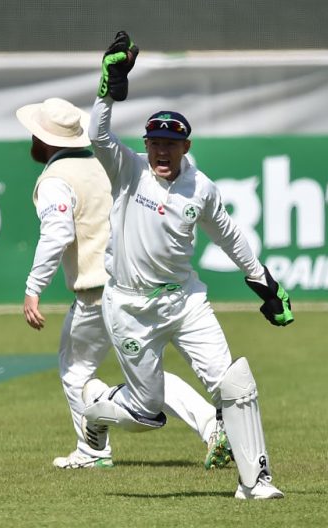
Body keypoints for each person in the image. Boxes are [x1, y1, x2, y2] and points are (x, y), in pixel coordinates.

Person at [81, 32, 294, 500]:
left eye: (169, 144)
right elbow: (96, 134)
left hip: (183, 301)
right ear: (146, 144)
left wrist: (265, 284)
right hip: (129, 306)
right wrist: (107, 90)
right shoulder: (128, 169)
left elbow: (231, 237)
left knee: (234, 382)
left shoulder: (202, 189)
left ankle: (255, 481)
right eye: (154, 142)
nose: (160, 151)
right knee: (146, 412)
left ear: (185, 146)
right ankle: (95, 410)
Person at [16, 97, 234, 470]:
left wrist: (34, 287)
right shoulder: (111, 163)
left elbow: (57, 234)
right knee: (146, 376)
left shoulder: (55, 179)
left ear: (46, 140)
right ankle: (212, 427)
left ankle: (92, 451)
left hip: (100, 292)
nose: (31, 140)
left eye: (34, 133)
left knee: (76, 372)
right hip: (143, 286)